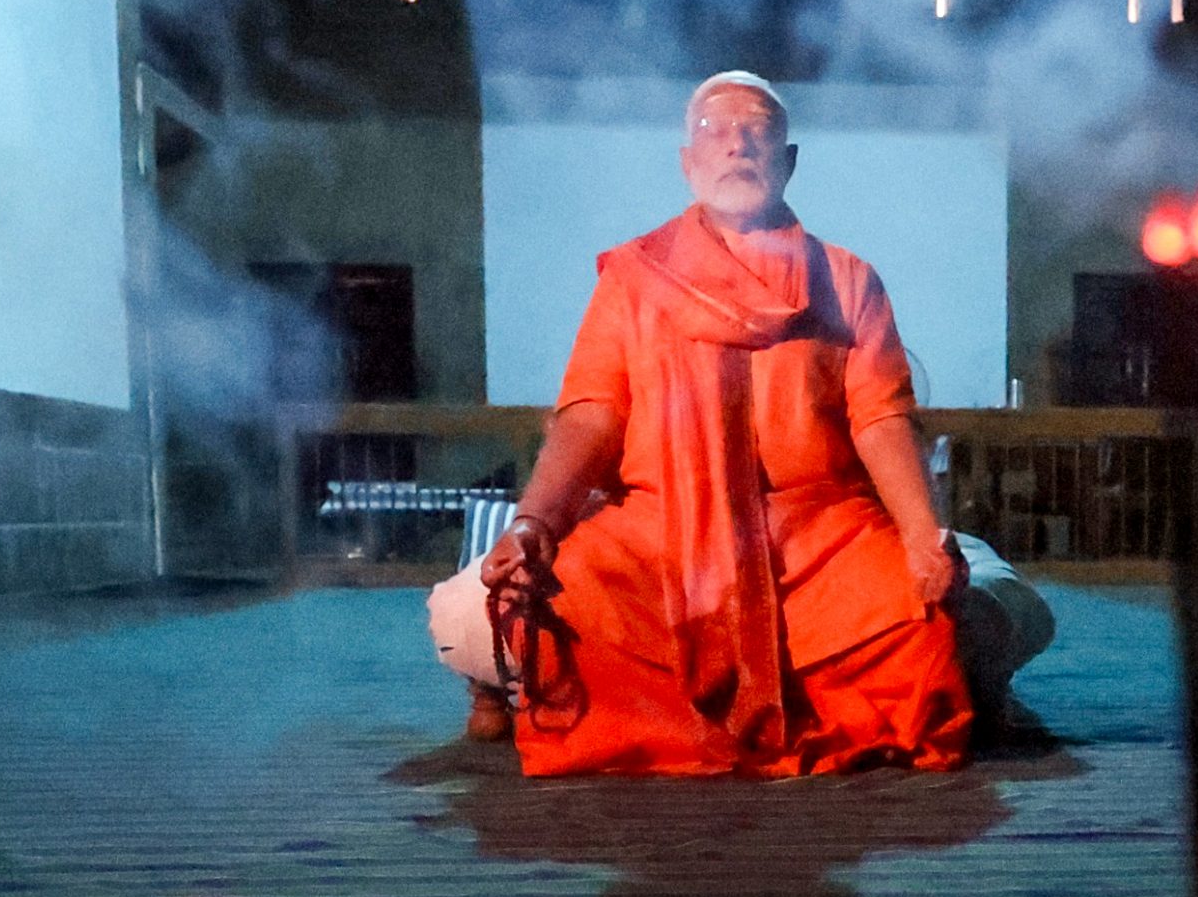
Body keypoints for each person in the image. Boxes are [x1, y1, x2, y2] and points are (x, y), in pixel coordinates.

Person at [428, 71, 1045, 776]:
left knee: (923, 614)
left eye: (757, 131)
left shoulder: (845, 279)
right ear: (687, 163)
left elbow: (880, 415)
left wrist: (919, 536)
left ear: (788, 160)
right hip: (661, 533)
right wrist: (533, 524)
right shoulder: (633, 279)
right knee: (528, 602)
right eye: (713, 132)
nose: (736, 145)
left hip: (816, 534)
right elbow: (591, 414)